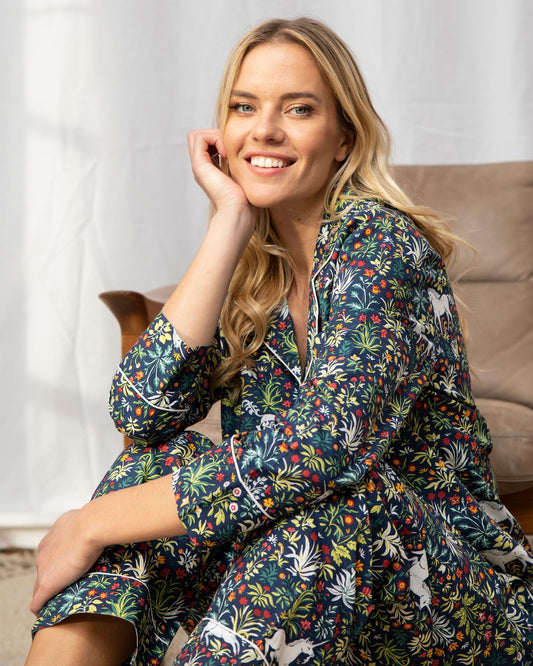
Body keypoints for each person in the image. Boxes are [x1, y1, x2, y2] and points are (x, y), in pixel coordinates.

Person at [26, 16, 533, 666]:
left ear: (343, 138)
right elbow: (142, 415)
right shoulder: (253, 269)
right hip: (300, 566)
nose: (263, 129)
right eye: (244, 107)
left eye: (297, 108)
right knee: (152, 464)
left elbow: (324, 446)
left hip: (453, 598)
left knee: (340, 498)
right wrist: (228, 223)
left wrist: (89, 522)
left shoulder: (381, 245)